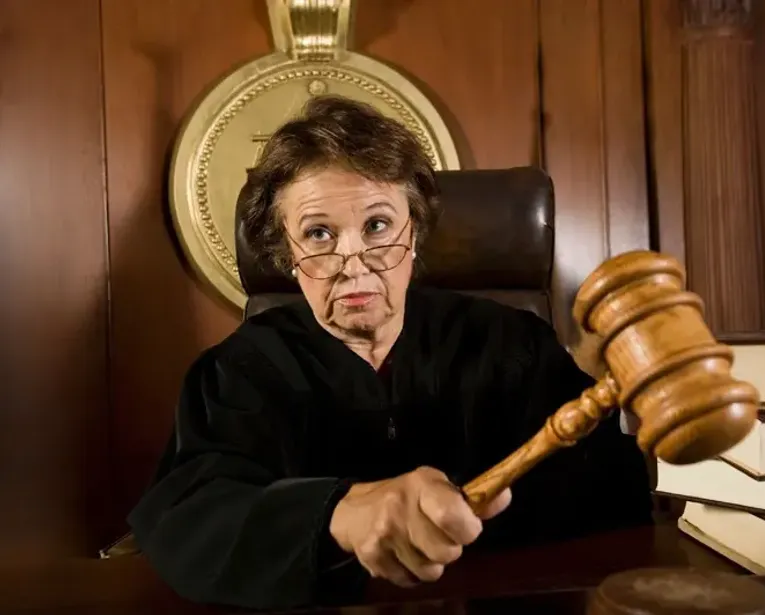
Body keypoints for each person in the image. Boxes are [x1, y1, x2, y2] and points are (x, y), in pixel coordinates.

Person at [128, 95, 652, 611]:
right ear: (287, 255)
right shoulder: (237, 373)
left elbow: (613, 501)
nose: (353, 262)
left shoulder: (512, 345)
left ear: (415, 232)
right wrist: (339, 513)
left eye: (377, 226)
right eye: (318, 234)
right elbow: (191, 517)